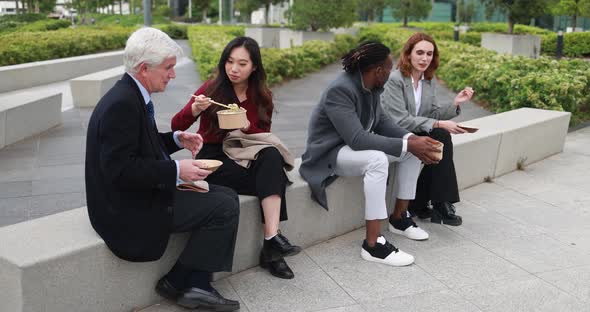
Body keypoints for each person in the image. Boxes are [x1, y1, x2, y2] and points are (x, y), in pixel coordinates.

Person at [85, 27, 240, 311]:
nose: (173, 74)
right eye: (168, 68)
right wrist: (177, 171)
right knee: (224, 206)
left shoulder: (129, 94)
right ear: (144, 68)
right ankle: (188, 282)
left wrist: (176, 139)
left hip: (132, 198)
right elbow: (120, 172)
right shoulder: (122, 104)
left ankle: (189, 282)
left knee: (228, 195)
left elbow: (138, 146)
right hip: (126, 211)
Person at [299, 42, 443, 267]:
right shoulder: (341, 89)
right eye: (389, 68)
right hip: (329, 153)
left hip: (349, 147)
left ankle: (399, 219)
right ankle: (373, 244)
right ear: (378, 70)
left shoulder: (371, 85)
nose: (391, 71)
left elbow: (382, 122)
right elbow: (357, 139)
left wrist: (412, 140)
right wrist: (408, 145)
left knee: (412, 150)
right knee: (377, 160)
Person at [171, 36, 301, 279]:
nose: (234, 69)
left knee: (271, 157)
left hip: (243, 153)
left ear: (254, 67)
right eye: (230, 61)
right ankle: (273, 250)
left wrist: (247, 126)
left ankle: (271, 239)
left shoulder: (262, 95)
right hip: (214, 159)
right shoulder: (211, 89)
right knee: (274, 182)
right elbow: (176, 124)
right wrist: (194, 109)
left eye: (242, 64)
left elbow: (263, 136)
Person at [381, 32, 474, 226]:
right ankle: (437, 203)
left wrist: (456, 103)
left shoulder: (427, 80)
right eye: (420, 52)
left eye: (429, 54)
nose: (425, 58)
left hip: (414, 132)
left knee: (440, 138)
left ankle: (432, 203)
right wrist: (439, 124)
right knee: (440, 134)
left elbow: (431, 113)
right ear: (408, 54)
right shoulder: (395, 80)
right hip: (395, 133)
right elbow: (400, 119)